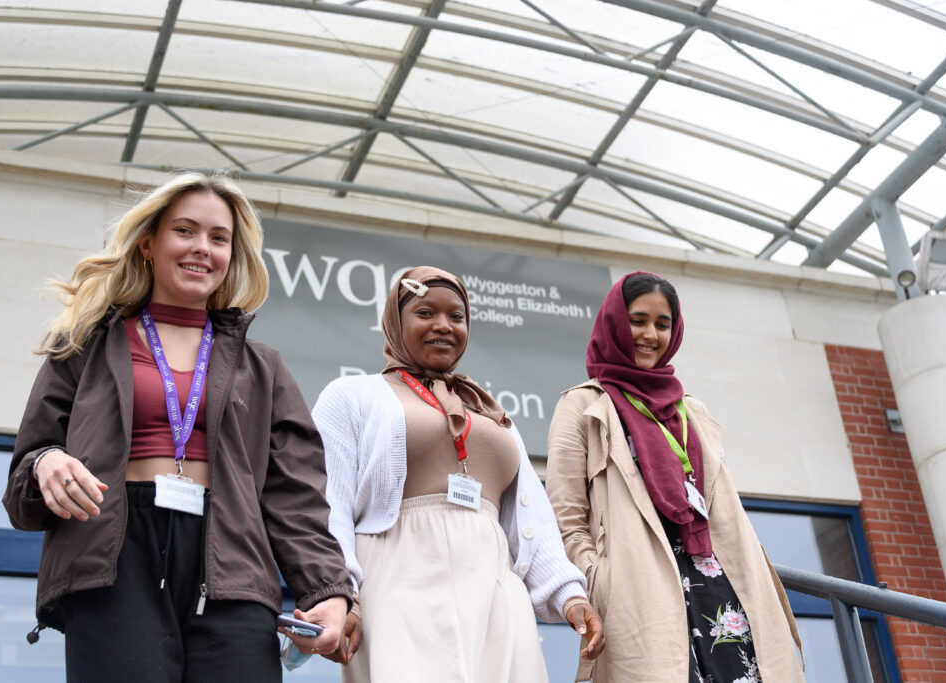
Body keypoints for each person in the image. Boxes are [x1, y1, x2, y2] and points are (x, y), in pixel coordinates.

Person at [2, 172, 352, 683]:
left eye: (219, 237)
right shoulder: (84, 345)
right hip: (114, 555)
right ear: (148, 243)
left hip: (231, 562)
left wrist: (327, 589)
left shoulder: (265, 367)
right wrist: (47, 463)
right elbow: (22, 483)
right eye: (184, 231)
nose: (202, 249)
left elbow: (295, 496)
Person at [311, 266, 605, 683]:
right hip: (396, 586)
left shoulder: (490, 412)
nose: (444, 326)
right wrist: (340, 593)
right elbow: (329, 507)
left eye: (457, 317)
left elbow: (532, 521)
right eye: (426, 313)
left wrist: (570, 596)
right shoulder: (352, 396)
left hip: (495, 596)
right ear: (396, 321)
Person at [545, 271, 804, 682]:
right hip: (640, 588)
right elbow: (566, 517)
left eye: (662, 324)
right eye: (638, 320)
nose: (650, 334)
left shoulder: (692, 409)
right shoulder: (582, 405)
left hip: (720, 584)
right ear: (614, 322)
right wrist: (601, 578)